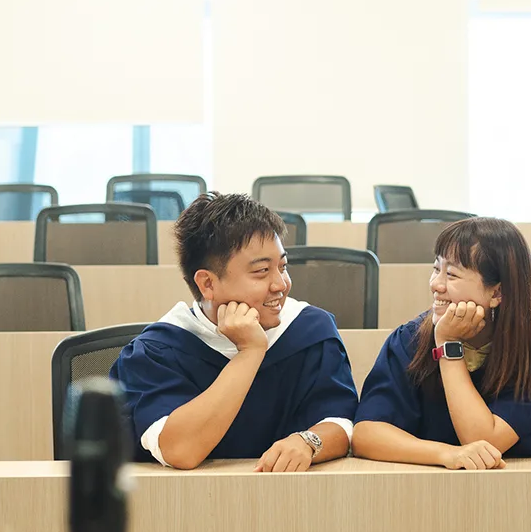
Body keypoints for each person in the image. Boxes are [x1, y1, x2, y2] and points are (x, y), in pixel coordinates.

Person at [111, 192, 358, 470]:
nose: (280, 284)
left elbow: (341, 422)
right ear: (207, 284)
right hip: (182, 507)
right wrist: (250, 352)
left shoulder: (310, 331)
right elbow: (180, 450)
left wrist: (308, 442)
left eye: (283, 266)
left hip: (293, 502)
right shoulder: (155, 353)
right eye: (262, 271)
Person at [352, 216, 531, 469]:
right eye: (436, 268)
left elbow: (483, 441)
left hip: (525, 495)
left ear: (496, 293)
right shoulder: (410, 339)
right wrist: (445, 454)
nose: (435, 284)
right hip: (426, 493)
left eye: (451, 274)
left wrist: (449, 346)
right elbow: (366, 434)